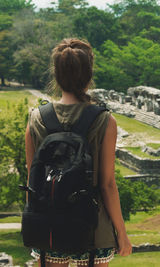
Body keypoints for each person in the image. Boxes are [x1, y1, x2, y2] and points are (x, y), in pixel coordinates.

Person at [24, 38, 132, 267]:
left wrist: (33, 223)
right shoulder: (104, 120)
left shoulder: (36, 118)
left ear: (56, 74)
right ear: (89, 74)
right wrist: (121, 233)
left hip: (49, 223)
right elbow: (107, 184)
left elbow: (32, 180)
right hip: (93, 227)